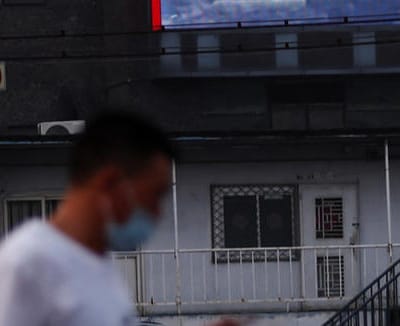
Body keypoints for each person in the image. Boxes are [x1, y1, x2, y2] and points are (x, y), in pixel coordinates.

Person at [0, 110, 240, 326]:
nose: (158, 213)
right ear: (110, 182)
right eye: (154, 196)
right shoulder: (27, 263)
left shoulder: (99, 263)